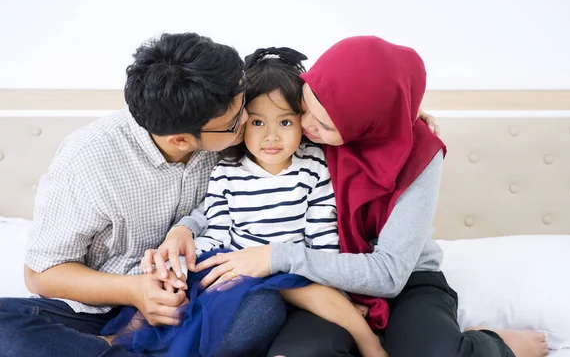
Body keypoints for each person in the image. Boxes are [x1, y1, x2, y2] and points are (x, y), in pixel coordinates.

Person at [0, 32, 437, 357]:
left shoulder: (224, 110)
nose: (252, 121)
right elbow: (41, 274)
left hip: (213, 288)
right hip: (100, 305)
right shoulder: (90, 160)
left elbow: (319, 96)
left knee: (258, 309)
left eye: (244, 102)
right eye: (240, 120)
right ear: (181, 139)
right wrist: (136, 291)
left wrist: (403, 110)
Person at [150, 36, 549, 357]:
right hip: (320, 283)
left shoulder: (419, 154)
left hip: (403, 279)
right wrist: (184, 227)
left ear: (367, 123)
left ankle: (486, 342)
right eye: (303, 110)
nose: (303, 126)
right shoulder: (306, 126)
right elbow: (268, 93)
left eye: (319, 122)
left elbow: (390, 274)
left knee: (428, 352)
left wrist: (277, 256)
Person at [102, 48, 386, 357]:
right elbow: (217, 230)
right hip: (238, 266)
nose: (272, 137)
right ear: (242, 123)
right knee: (185, 290)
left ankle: (367, 340)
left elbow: (322, 239)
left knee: (301, 290)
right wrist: (188, 264)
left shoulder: (314, 167)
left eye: (285, 123)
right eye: (258, 123)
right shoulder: (226, 172)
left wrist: (336, 290)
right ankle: (124, 336)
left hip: (293, 265)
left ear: (302, 121)